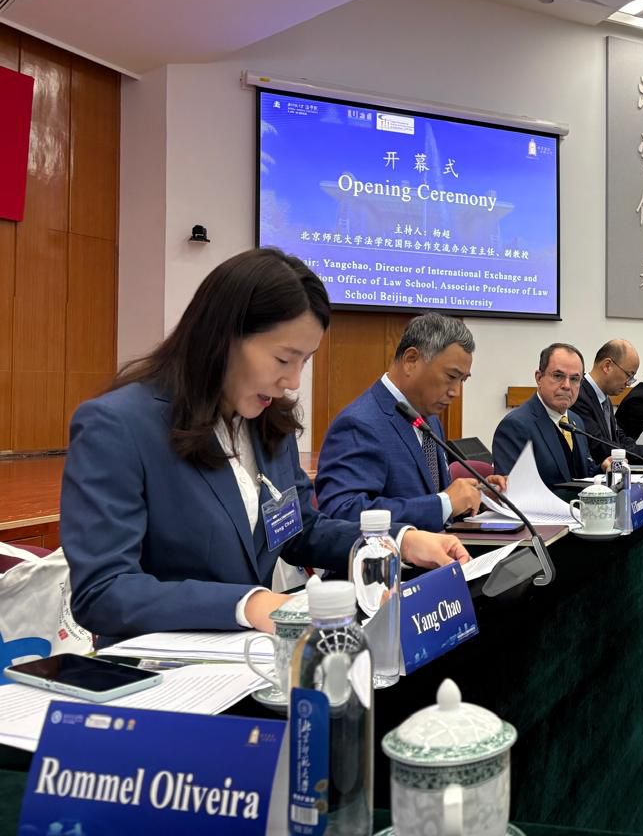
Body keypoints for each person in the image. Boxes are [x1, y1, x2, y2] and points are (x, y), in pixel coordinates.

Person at [60, 248, 468, 645]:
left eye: (305, 361)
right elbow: (103, 591)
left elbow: (299, 530)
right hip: (159, 671)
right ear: (222, 338)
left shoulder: (268, 424)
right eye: (283, 359)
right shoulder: (119, 426)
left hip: (252, 659)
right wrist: (249, 604)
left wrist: (398, 541)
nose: (293, 381)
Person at [316, 312, 503, 531]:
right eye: (451, 377)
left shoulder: (429, 420)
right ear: (411, 360)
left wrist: (478, 495)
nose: (456, 392)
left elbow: (431, 496)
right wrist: (443, 504)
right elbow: (342, 513)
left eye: (462, 380)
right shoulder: (359, 423)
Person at [492, 343, 596, 486]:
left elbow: (582, 473)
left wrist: (604, 468)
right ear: (539, 378)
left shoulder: (575, 420)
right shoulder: (515, 426)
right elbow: (512, 490)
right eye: (558, 376)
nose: (566, 386)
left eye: (574, 379)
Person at [572, 339, 643, 466]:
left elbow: (619, 437)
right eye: (629, 375)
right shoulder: (579, 396)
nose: (628, 383)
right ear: (607, 366)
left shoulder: (604, 399)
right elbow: (601, 447)